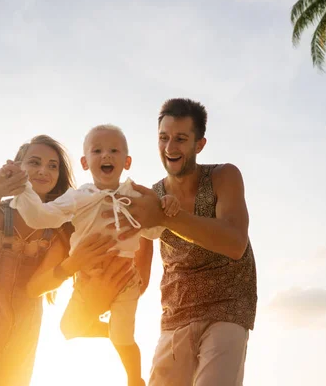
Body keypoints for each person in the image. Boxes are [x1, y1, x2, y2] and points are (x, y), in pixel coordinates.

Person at [0, 135, 134, 386]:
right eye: (35, 162)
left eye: (53, 166)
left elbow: (43, 283)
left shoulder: (63, 228)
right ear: (17, 167)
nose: (44, 171)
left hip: (21, 341)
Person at [10, 125, 179, 386]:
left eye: (114, 150)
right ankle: (110, 330)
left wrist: (166, 206)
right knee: (68, 328)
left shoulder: (135, 195)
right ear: (85, 162)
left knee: (125, 340)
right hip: (88, 276)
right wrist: (23, 188)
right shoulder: (79, 197)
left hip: (125, 279)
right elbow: (40, 216)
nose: (106, 156)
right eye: (97, 150)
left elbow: (156, 231)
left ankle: (135, 379)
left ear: (127, 161)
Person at [105, 99, 258, 386]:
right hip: (175, 314)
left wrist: (167, 217)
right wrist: (110, 295)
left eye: (180, 139)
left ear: (199, 145)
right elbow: (140, 273)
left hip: (228, 306)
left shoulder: (224, 176)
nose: (170, 147)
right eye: (163, 138)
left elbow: (235, 242)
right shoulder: (151, 195)